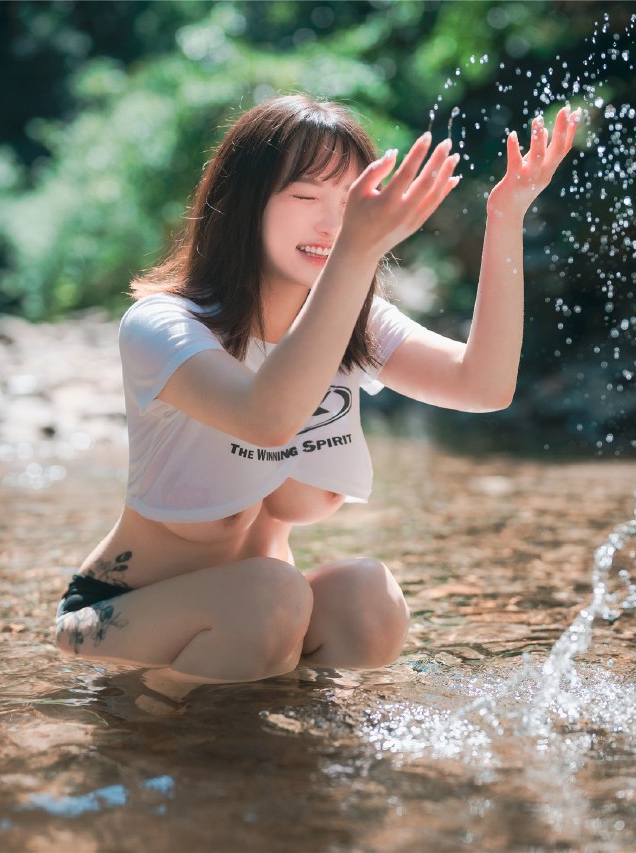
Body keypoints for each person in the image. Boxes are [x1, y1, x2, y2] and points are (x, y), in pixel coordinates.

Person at [54, 93, 578, 685]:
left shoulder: (355, 319)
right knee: (269, 594)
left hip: (257, 622)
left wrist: (506, 217)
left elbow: (483, 386)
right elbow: (267, 417)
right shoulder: (164, 327)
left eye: (352, 203)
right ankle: (163, 734)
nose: (333, 225)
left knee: (367, 598)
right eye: (305, 197)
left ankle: (298, 751)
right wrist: (357, 247)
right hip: (116, 621)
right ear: (244, 205)